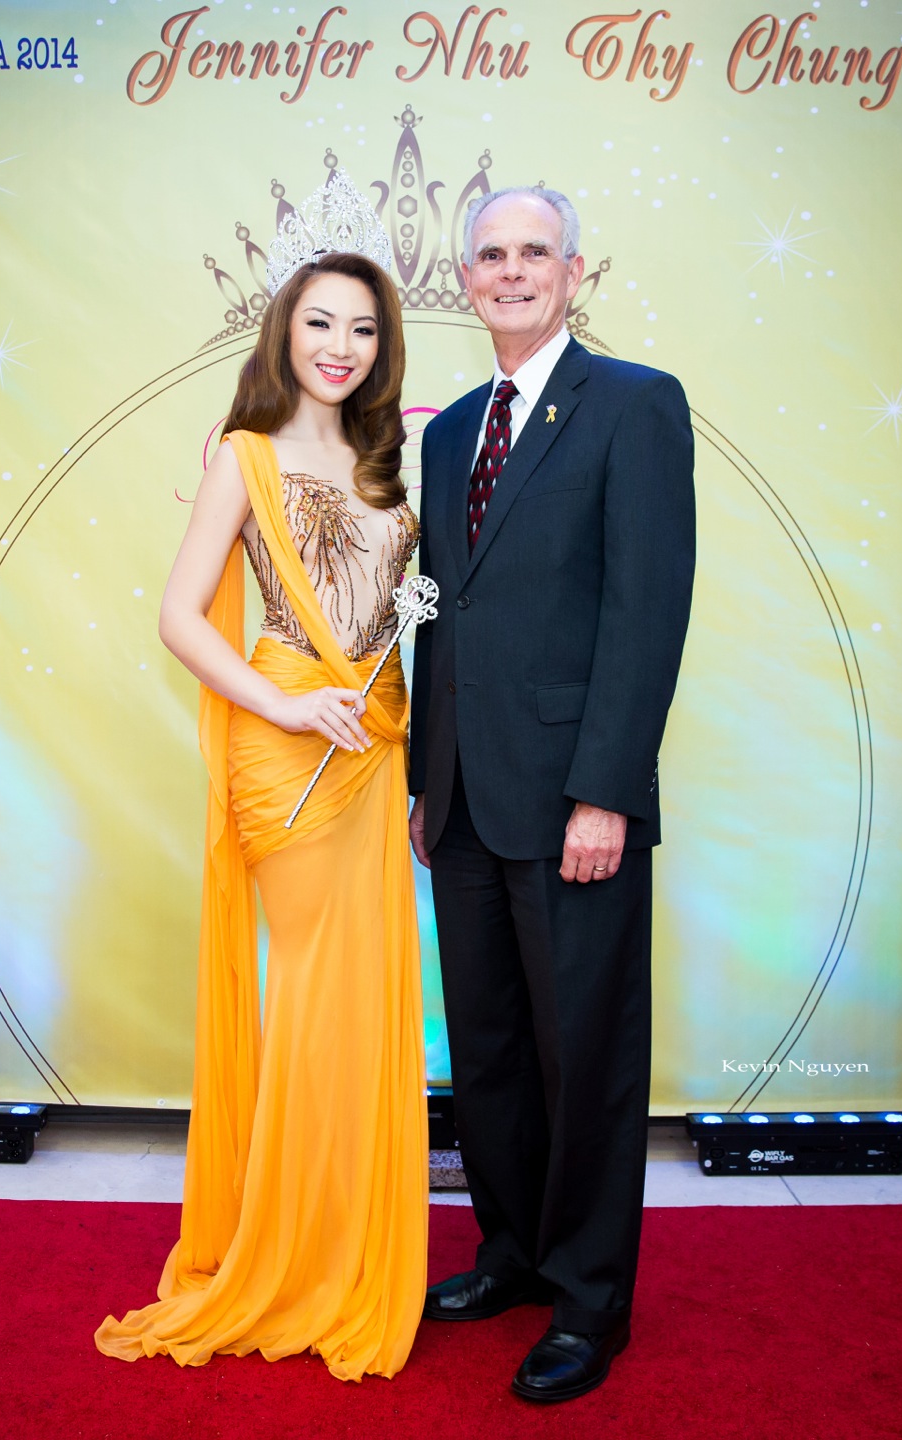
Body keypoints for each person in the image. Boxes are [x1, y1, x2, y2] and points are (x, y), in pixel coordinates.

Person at [95, 174, 428, 1382]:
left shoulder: (394, 461)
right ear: (284, 328)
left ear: (382, 345)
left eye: (364, 328)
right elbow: (183, 618)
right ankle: (289, 1254)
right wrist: (287, 700)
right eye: (320, 323)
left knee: (362, 1014)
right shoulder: (241, 454)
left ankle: (344, 1242)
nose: (340, 346)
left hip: (374, 746)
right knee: (316, 1005)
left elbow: (402, 614)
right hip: (284, 746)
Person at [409, 186, 695, 1403]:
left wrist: (606, 794)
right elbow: (449, 616)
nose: (511, 272)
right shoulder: (449, 427)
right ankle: (514, 1253)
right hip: (464, 797)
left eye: (534, 252)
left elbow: (647, 611)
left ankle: (590, 1300)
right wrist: (428, 776)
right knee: (490, 1052)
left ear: (574, 271)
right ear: (464, 278)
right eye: (490, 255)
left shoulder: (635, 404)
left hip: (574, 797)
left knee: (585, 1051)